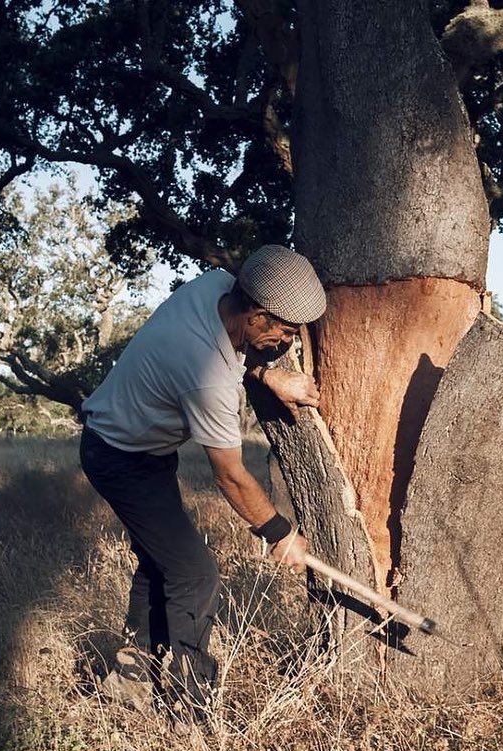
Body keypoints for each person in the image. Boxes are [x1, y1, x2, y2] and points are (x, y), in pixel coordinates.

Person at [79, 244, 325, 722]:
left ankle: (129, 678)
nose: (289, 345)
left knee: (161, 562)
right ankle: (189, 707)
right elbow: (230, 478)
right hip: (119, 456)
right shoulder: (204, 376)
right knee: (195, 573)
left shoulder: (217, 288)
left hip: (142, 451)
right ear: (257, 316)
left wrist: (267, 376)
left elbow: (236, 354)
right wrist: (280, 534)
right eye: (286, 334)